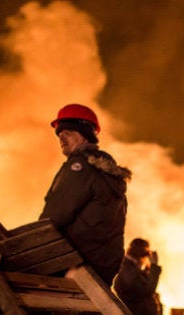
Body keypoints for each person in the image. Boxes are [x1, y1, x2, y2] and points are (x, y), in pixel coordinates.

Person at [39, 103, 132, 286]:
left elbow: (54, 216)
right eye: (59, 134)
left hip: (74, 264)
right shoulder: (109, 175)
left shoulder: (80, 167)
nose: (61, 138)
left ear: (85, 135)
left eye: (68, 132)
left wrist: (31, 245)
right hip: (102, 267)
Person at [114, 238, 163, 315]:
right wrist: (154, 266)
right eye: (147, 253)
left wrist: (147, 271)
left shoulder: (129, 268)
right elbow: (147, 291)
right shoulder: (126, 269)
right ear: (142, 253)